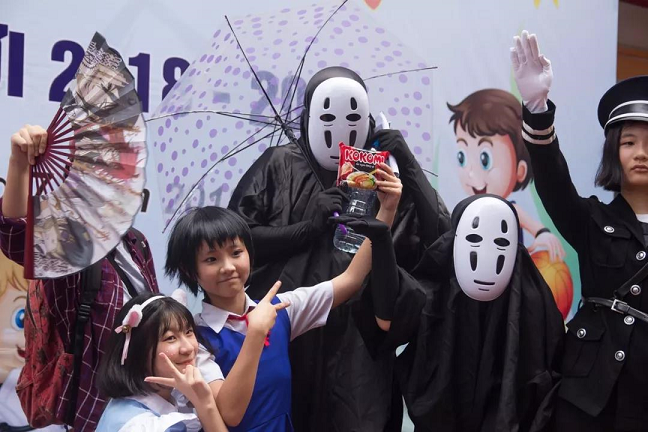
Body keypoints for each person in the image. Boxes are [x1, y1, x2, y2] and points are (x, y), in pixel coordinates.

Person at [228, 66, 450, 431]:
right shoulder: (278, 164)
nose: (340, 128)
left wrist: (408, 165)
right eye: (328, 117)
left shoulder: (384, 177)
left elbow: (441, 242)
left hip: (358, 349)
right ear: (309, 118)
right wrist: (305, 228)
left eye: (352, 118)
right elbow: (237, 244)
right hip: (289, 331)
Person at [166, 162, 403, 431]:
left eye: (236, 252)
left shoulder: (280, 309)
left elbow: (350, 279)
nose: (228, 267)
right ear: (190, 270)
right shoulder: (195, 339)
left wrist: (387, 211)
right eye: (211, 259)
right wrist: (256, 333)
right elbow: (229, 413)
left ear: (249, 253)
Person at [512, 30, 648, 430]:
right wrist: (537, 110)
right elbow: (553, 182)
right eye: (628, 143)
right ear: (613, 153)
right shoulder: (592, 220)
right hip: (586, 397)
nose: (641, 153)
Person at [0, 124, 158, 431]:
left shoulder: (136, 242)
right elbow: (15, 233)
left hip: (142, 401)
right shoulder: (70, 243)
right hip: (91, 407)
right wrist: (19, 163)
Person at [447, 89, 565, 261]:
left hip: (511, 275)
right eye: (462, 157)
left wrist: (543, 234)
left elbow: (536, 228)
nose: (471, 172)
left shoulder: (511, 211)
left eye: (485, 159)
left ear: (520, 170)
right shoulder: (465, 212)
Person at [96, 292, 227, 432]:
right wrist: (205, 404)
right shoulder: (147, 426)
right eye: (170, 338)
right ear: (138, 350)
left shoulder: (132, 404)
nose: (188, 348)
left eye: (188, 331)